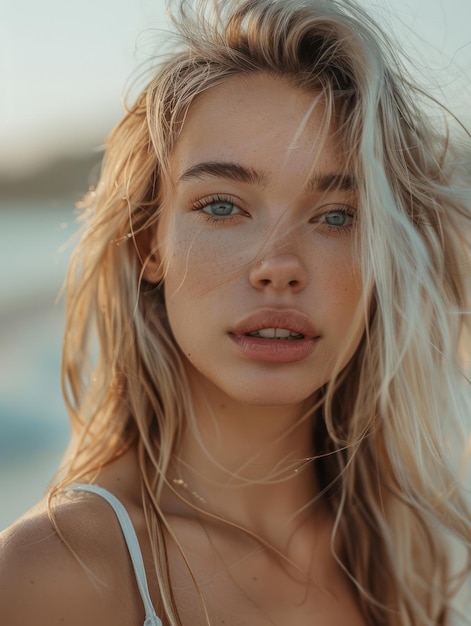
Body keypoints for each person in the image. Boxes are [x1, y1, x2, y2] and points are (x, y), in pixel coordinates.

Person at [1, 0, 470, 624]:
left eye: (336, 216)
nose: (279, 266)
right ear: (150, 244)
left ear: (387, 255)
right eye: (222, 206)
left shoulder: (404, 550)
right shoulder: (63, 571)